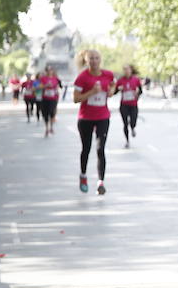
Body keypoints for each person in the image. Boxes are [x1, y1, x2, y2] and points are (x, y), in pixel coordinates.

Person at [72, 49, 115, 195]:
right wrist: (91, 92)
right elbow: (75, 99)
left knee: (100, 148)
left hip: (103, 116)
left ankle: (101, 182)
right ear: (87, 60)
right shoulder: (82, 78)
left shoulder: (108, 75)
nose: (94, 61)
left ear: (100, 59)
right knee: (86, 148)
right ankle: (83, 175)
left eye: (97, 58)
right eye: (91, 58)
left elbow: (113, 85)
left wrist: (111, 91)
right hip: (85, 118)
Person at [115, 64, 143, 146]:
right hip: (124, 105)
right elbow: (114, 92)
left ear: (131, 70)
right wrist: (118, 89)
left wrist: (137, 93)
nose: (126, 71)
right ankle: (127, 141)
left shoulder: (136, 80)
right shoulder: (120, 80)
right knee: (125, 123)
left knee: (133, 120)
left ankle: (133, 127)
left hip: (133, 104)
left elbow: (141, 91)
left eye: (128, 69)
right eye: (125, 70)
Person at [38, 64, 62, 137]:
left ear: (52, 71)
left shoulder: (56, 79)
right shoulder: (43, 78)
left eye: (50, 70)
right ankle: (46, 128)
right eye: (48, 70)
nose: (49, 71)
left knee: (52, 113)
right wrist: (46, 86)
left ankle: (51, 127)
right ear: (46, 71)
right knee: (45, 113)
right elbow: (39, 87)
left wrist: (56, 89)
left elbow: (60, 87)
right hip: (45, 99)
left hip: (53, 99)